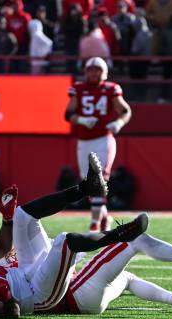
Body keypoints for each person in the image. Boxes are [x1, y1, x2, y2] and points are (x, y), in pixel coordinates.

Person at [0, 153, 149, 319]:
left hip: (24, 270)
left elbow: (1, 246)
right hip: (37, 296)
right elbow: (13, 313)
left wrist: (7, 220)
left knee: (23, 216)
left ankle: (86, 189)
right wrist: (7, 298)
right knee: (65, 241)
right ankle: (119, 235)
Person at [64, 57, 132, 232]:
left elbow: (125, 111)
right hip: (84, 141)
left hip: (103, 139)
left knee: (101, 179)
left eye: (98, 70)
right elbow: (68, 114)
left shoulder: (111, 89)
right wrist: (82, 120)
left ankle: (94, 223)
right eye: (91, 69)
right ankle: (104, 217)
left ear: (105, 73)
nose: (94, 73)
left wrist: (119, 123)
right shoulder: (78, 88)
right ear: (86, 71)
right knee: (88, 183)